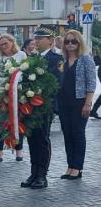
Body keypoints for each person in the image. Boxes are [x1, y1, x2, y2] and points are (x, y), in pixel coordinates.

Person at [21, 25, 63, 189]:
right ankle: (33, 172)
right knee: (32, 140)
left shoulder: (55, 59)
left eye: (40, 39)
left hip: (44, 106)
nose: (36, 41)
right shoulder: (31, 58)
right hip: (30, 106)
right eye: (35, 38)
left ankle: (42, 175)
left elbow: (56, 83)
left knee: (42, 140)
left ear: (50, 41)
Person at [58, 29, 95, 179]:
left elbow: (91, 83)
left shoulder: (85, 59)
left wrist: (88, 103)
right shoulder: (62, 60)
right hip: (63, 102)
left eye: (74, 41)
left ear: (79, 43)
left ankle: (77, 168)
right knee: (67, 134)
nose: (70, 44)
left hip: (80, 102)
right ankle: (70, 166)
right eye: (67, 41)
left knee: (78, 134)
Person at [0, 34, 27, 162]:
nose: (4, 46)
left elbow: (24, 73)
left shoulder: (21, 55)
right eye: (1, 44)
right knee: (0, 123)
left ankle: (19, 150)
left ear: (12, 42)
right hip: (1, 93)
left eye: (6, 43)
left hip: (16, 94)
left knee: (17, 121)